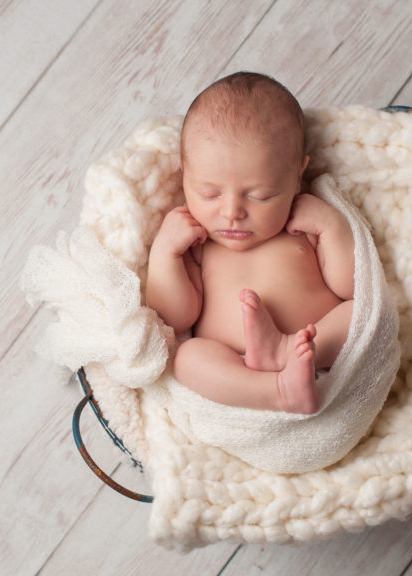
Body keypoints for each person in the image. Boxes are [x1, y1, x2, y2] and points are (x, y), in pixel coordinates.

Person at [145, 72, 354, 414]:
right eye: (209, 193)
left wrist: (333, 229)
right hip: (238, 375)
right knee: (189, 358)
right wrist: (164, 254)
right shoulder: (198, 242)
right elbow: (175, 318)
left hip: (321, 356)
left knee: (362, 313)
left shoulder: (305, 222)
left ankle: (286, 356)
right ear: (184, 173)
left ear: (296, 176)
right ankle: (277, 391)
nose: (231, 213)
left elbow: (354, 287)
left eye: (261, 196)